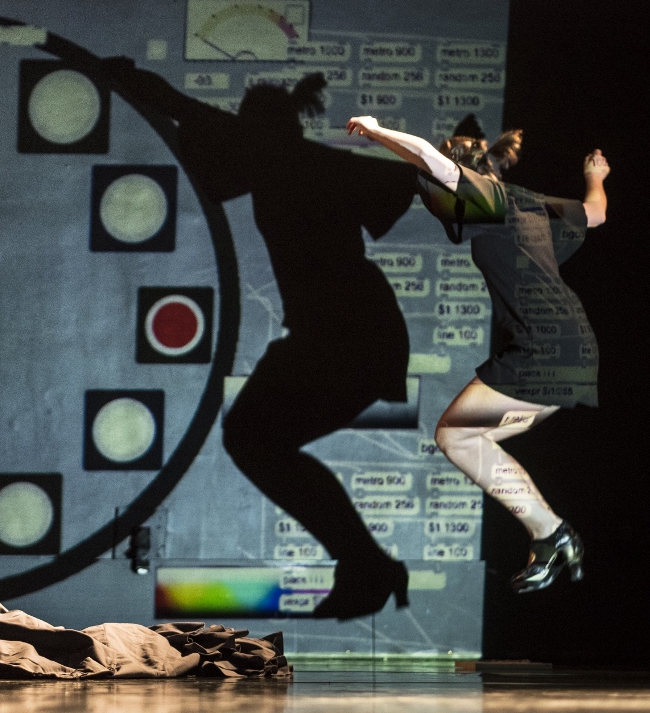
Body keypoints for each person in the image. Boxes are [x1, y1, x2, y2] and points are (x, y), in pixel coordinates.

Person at [102, 58, 420, 618]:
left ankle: (365, 563)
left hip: (345, 336)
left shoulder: (281, 159)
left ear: (258, 131)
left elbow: (180, 106)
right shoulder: (295, 160)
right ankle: (364, 563)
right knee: (258, 441)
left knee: (255, 440)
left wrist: (124, 76)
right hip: (352, 333)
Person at [346, 114, 609, 593]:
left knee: (456, 436)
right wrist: (596, 176)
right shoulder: (531, 201)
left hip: (543, 351)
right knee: (470, 440)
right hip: (571, 352)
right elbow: (595, 214)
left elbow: (429, 158)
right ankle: (549, 535)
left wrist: (378, 131)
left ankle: (552, 533)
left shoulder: (487, 196)